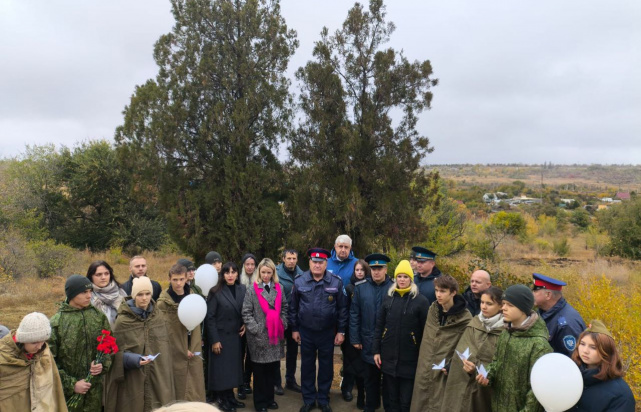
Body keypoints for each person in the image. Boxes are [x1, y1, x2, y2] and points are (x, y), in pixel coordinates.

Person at [476, 285, 553, 412]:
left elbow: (537, 390)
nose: (503, 308)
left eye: (510, 305)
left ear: (523, 309)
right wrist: (488, 375)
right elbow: (496, 362)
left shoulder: (539, 345)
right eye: (504, 304)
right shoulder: (506, 333)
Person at [289, 247, 348, 412]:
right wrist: (294, 329)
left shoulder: (336, 281)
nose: (317, 265)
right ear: (309, 262)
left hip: (327, 333)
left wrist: (341, 331)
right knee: (307, 366)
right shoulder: (299, 281)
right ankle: (308, 400)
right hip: (306, 332)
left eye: (320, 262)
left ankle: (323, 399)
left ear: (326, 263)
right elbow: (293, 308)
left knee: (326, 367)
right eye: (314, 262)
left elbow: (343, 309)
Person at [106, 277, 176, 412]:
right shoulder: (122, 320)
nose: (144, 298)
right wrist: (132, 359)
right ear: (134, 295)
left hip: (158, 375)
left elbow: (165, 348)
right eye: (140, 294)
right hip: (132, 378)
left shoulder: (158, 317)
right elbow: (114, 353)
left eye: (147, 294)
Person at [49, 274, 113, 412]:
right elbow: (49, 362)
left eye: (90, 291)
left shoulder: (98, 316)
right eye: (84, 292)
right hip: (67, 397)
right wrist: (72, 385)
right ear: (71, 294)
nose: (89, 296)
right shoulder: (57, 322)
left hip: (94, 394)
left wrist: (102, 365)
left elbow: (109, 346)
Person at [410, 275, 472, 412]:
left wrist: (452, 365)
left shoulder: (465, 317)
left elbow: (467, 346)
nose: (438, 294)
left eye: (443, 291)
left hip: (446, 369)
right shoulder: (433, 310)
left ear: (453, 292)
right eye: (437, 290)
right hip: (425, 366)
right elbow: (428, 338)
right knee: (421, 400)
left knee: (441, 402)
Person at [373, 260, 429, 412]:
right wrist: (376, 351)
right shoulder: (388, 299)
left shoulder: (421, 301)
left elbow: (426, 332)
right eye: (399, 276)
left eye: (405, 276)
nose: (402, 279)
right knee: (391, 399)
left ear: (411, 279)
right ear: (395, 278)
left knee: (406, 400)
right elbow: (379, 326)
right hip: (388, 357)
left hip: (410, 359)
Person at [441, 286, 504, 412]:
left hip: (485, 391)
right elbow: (462, 347)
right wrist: (451, 365)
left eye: (489, 304)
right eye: (482, 302)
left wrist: (477, 369)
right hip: (461, 382)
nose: (484, 307)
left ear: (501, 306)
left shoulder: (505, 331)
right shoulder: (475, 322)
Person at [242, 258, 288, 412]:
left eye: (269, 272)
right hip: (259, 337)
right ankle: (260, 402)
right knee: (260, 373)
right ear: (259, 272)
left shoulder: (279, 287)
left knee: (272, 370)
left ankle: (270, 399)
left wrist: (283, 322)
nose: (266, 275)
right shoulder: (252, 289)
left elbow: (285, 308)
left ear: (273, 272)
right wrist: (256, 329)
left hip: (275, 335)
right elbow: (246, 312)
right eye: (263, 272)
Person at [350, 253, 393, 412]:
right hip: (367, 340)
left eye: (379, 268)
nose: (376, 272)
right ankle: (371, 406)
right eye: (373, 268)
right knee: (370, 379)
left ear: (385, 269)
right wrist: (355, 338)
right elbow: (354, 314)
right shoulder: (361, 288)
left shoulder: (393, 288)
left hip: (387, 342)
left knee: (388, 381)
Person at [157, 264, 206, 402]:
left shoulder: (193, 297)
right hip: (174, 350)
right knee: (178, 385)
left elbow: (196, 324)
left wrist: (194, 345)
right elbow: (163, 331)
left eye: (181, 279)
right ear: (169, 279)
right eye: (175, 280)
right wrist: (181, 348)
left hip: (194, 346)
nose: (178, 283)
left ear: (186, 279)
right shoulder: (163, 303)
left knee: (194, 382)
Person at [0, 312, 68, 411]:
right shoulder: (3, 357)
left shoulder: (44, 352)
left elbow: (55, 387)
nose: (40, 347)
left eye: (43, 341)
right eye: (34, 342)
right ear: (22, 340)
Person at [206, 262, 247, 412]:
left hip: (235, 336)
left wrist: (245, 324)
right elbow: (210, 318)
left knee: (232, 369)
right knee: (222, 370)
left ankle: (230, 397)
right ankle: (222, 400)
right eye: (227, 272)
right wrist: (214, 340)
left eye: (233, 272)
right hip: (221, 336)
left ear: (237, 274)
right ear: (222, 275)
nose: (230, 275)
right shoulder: (215, 291)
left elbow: (246, 310)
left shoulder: (242, 289)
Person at [570, 320, 635, 411]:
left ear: (606, 351)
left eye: (593, 347)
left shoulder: (621, 395)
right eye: (582, 344)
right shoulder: (570, 376)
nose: (585, 351)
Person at [532, 273, 586, 356]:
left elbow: (573, 359)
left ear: (548, 295)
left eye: (535, 290)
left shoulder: (566, 324)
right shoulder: (542, 312)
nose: (532, 293)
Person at [274, 249, 304, 394]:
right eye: (289, 258)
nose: (291, 261)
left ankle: (290, 380)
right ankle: (276, 383)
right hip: (279, 318)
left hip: (295, 320)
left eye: (294, 258)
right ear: (283, 259)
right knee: (277, 351)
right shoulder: (276, 273)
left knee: (292, 351)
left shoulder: (302, 274)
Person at [341, 259, 369, 408]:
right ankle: (347, 388)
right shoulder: (349, 287)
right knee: (349, 361)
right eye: (357, 270)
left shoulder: (370, 286)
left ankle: (363, 391)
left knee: (363, 363)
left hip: (365, 330)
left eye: (362, 270)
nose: (359, 272)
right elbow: (344, 309)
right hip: (350, 329)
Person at [239, 253, 258, 398]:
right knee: (240, 355)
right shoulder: (238, 280)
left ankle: (247, 382)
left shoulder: (259, 280)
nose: (250, 267)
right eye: (247, 264)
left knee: (252, 355)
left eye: (252, 264)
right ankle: (240, 384)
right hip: (240, 325)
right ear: (243, 266)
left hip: (255, 324)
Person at [86, 260, 127, 328]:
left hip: (121, 335)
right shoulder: (87, 296)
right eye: (98, 274)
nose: (103, 277)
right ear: (91, 277)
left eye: (106, 273)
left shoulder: (121, 292)